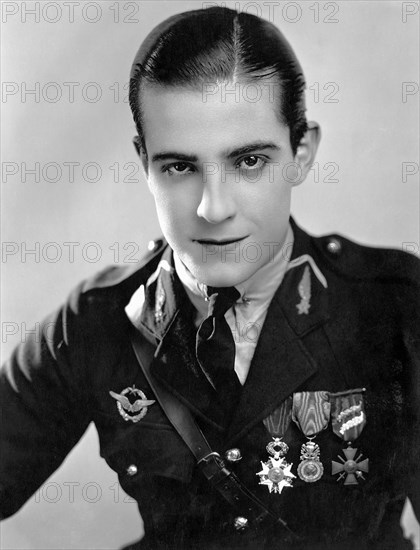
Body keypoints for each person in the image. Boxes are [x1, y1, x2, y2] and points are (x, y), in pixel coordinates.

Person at [1, 6, 419, 549]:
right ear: (143, 162)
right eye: (179, 167)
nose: (212, 208)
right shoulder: (98, 321)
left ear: (301, 153)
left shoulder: (393, 310)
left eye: (248, 162)